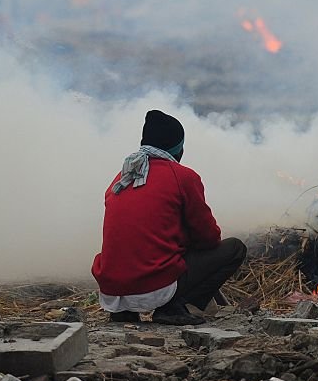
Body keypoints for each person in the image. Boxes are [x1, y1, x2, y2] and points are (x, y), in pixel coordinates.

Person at [92, 110, 246, 325]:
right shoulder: (182, 176)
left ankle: (124, 314)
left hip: (112, 289)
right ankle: (173, 308)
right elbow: (208, 237)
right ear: (178, 148)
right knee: (235, 249)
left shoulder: (122, 177)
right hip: (153, 284)